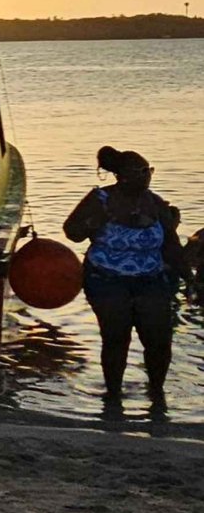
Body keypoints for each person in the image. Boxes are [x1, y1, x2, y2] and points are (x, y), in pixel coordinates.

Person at [63, 146, 188, 401]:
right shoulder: (99, 200)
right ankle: (113, 395)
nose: (147, 176)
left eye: (149, 170)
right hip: (106, 279)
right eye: (141, 171)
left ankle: (157, 393)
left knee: (159, 339)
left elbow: (171, 245)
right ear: (122, 176)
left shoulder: (155, 204)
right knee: (116, 338)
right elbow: (71, 231)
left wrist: (189, 276)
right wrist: (93, 223)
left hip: (150, 279)